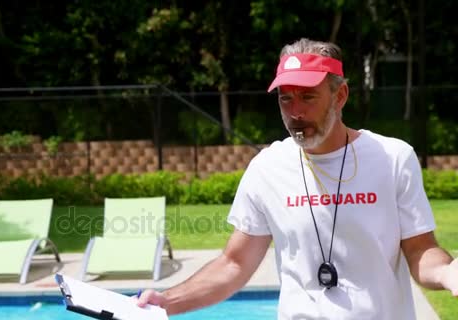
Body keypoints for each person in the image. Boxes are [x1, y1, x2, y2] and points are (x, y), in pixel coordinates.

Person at [137, 38, 458, 319]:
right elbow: (234, 264)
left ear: (340, 95)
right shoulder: (267, 168)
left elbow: (420, 250)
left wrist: (447, 272)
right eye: (285, 98)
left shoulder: (392, 158)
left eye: (308, 96)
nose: (295, 112)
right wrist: (167, 302)